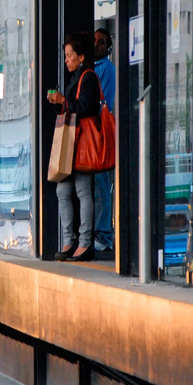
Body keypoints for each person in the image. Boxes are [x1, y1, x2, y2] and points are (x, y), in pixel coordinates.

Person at [47, 32, 102, 261]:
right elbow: (70, 109)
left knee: (82, 190)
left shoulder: (88, 77)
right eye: (66, 56)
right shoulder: (75, 78)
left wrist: (63, 101)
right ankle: (69, 239)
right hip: (71, 144)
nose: (66, 60)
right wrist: (58, 104)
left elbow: (86, 107)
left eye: (69, 56)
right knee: (63, 190)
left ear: (81, 56)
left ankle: (85, 242)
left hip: (81, 144)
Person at [93, 29, 116, 253]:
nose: (97, 44)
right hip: (90, 135)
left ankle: (103, 234)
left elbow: (104, 102)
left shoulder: (106, 69)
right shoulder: (90, 68)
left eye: (101, 42)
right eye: (95, 40)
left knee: (101, 187)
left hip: (99, 135)